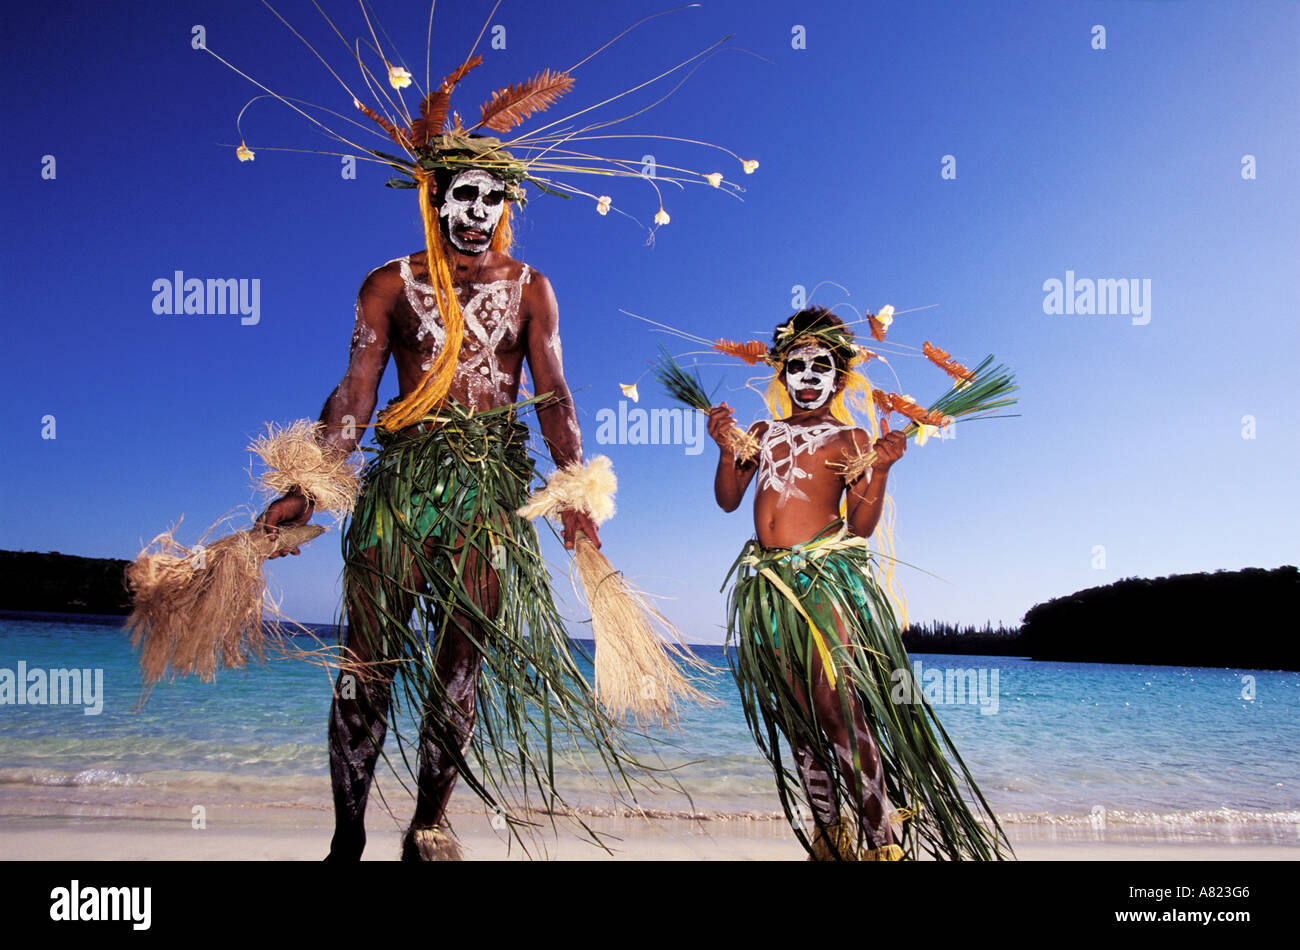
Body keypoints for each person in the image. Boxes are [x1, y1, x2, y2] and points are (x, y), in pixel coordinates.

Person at [256, 153, 624, 861]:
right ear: (437, 199)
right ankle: (346, 837)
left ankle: (428, 824)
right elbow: (356, 394)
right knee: (366, 665)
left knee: (460, 670)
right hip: (402, 488)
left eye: (491, 199)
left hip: (486, 499)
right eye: (464, 196)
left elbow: (554, 394)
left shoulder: (531, 289)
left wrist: (576, 490)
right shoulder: (388, 284)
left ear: (505, 205)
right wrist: (307, 484)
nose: (478, 212)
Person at [706, 306, 1010, 860]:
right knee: (797, 714)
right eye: (796, 365)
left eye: (821, 365)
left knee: (839, 710)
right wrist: (726, 451)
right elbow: (729, 500)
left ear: (840, 374)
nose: (808, 376)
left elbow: (862, 526)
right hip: (770, 590)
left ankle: (882, 845)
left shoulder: (851, 437)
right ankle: (828, 836)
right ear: (781, 370)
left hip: (823, 587)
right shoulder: (760, 431)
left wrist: (884, 468)